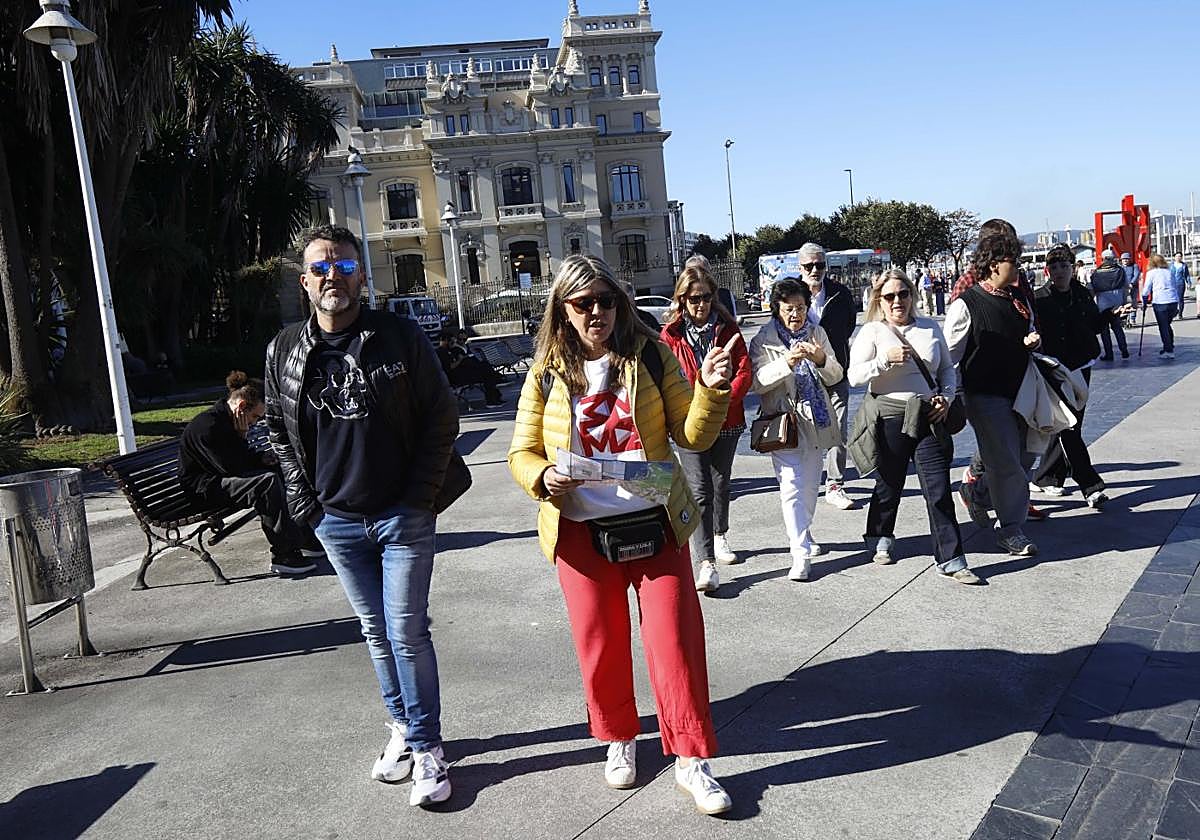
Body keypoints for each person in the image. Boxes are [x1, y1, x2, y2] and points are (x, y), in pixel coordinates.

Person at [506, 254, 736, 816]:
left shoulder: (652, 355)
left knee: (675, 641)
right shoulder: (544, 371)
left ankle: (691, 758)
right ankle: (619, 738)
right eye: (583, 304)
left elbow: (693, 435)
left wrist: (710, 390)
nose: (597, 313)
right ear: (562, 309)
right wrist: (542, 476)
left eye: (606, 301)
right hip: (581, 532)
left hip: (655, 520)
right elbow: (521, 450)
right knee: (600, 643)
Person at [264, 224, 459, 807]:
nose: (334, 278)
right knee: (377, 634)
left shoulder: (397, 336)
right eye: (322, 268)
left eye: (345, 267)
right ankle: (402, 726)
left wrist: (419, 496)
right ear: (305, 282)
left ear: (362, 277)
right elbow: (276, 429)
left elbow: (441, 415)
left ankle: (427, 747)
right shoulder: (284, 350)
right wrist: (309, 506)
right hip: (338, 520)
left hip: (402, 515)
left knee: (406, 631)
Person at [847, 269, 980, 584]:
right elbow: (854, 377)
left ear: (912, 295)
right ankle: (879, 536)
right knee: (889, 483)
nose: (897, 301)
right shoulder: (872, 332)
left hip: (927, 416)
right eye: (889, 296)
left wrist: (946, 398)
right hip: (889, 416)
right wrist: (885, 361)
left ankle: (951, 558)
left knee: (937, 489)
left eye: (903, 294)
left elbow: (947, 369)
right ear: (879, 300)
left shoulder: (929, 327)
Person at [945, 231, 1042, 557]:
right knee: (1008, 464)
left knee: (1026, 456)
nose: (1018, 267)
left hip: (1022, 392)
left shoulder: (1017, 299)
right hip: (984, 395)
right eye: (1013, 261)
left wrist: (1032, 341)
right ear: (994, 264)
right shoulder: (967, 304)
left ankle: (978, 493)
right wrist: (952, 394)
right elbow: (949, 356)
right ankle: (1011, 529)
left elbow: (1026, 333)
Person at [660, 260, 752, 592]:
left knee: (720, 483)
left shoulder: (728, 330)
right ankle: (706, 561)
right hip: (689, 424)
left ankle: (720, 533)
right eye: (694, 298)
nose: (701, 304)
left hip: (727, 419)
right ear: (682, 300)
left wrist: (723, 397)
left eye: (707, 297)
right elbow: (667, 378)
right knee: (699, 491)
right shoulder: (670, 335)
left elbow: (744, 370)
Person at [180, 370, 321, 576]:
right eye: (255, 416)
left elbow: (240, 462)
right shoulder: (208, 425)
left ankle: (304, 537)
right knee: (266, 483)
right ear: (242, 407)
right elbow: (230, 468)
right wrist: (242, 435)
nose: (256, 422)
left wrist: (262, 458)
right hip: (204, 489)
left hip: (221, 480)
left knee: (280, 470)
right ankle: (283, 554)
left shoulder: (227, 419)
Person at [749, 278, 844, 581]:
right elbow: (757, 382)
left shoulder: (817, 333)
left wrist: (821, 359)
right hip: (783, 422)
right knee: (790, 485)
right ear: (777, 309)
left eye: (801, 308)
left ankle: (804, 531)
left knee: (809, 487)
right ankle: (799, 552)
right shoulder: (764, 339)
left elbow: (836, 374)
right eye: (789, 309)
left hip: (816, 418)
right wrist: (786, 363)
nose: (796, 314)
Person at [1029, 243, 1113, 506]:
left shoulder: (1082, 295)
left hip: (1081, 365)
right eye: (1054, 267)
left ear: (1073, 268)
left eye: (1064, 266)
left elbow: (1092, 325)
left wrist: (1110, 316)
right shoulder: (1039, 298)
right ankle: (1090, 484)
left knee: (1069, 423)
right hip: (1054, 368)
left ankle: (1046, 477)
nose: (1059, 271)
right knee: (1069, 424)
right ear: (1047, 270)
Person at [795, 242, 858, 510]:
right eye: (809, 266)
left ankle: (834, 483)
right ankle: (805, 481)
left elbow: (849, 326)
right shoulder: (791, 293)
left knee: (838, 429)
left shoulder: (840, 294)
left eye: (819, 265)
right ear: (800, 268)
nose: (814, 270)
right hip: (803, 375)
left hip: (836, 372)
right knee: (806, 431)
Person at [436, 332, 504, 407]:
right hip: (456, 378)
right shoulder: (441, 352)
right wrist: (460, 360)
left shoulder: (448, 350)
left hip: (460, 374)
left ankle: (496, 396)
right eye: (450, 341)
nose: (452, 343)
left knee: (486, 368)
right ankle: (491, 400)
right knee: (487, 373)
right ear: (445, 340)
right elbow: (450, 366)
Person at [1089, 252, 1130, 360]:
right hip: (1117, 304)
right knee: (1117, 327)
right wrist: (1126, 301)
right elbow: (1126, 286)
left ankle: (1109, 353)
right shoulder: (1120, 271)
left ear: (1103, 259)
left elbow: (1092, 290)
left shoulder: (1096, 273)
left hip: (1103, 305)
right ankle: (1124, 350)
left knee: (1104, 330)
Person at [1141, 253, 1181, 359]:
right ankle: (1169, 344)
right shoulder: (1169, 272)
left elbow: (1146, 288)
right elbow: (1175, 286)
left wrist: (1144, 300)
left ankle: (1168, 350)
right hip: (1172, 301)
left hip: (1160, 301)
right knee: (1167, 324)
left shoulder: (1151, 273)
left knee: (1163, 326)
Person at [1120, 252, 1141, 328]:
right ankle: (1124, 319)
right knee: (1124, 304)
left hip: (1133, 287)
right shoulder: (1120, 267)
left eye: (1127, 259)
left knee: (1133, 302)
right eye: (1124, 259)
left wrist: (1132, 283)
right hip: (1123, 288)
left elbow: (1136, 275)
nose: (1125, 260)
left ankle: (1132, 318)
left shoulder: (1134, 266)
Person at [1170, 253, 1191, 320]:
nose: (1178, 257)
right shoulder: (1171, 265)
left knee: (1180, 299)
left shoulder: (1184, 265)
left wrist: (1189, 283)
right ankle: (1174, 311)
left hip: (1180, 284)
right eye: (1177, 256)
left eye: (1179, 256)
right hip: (1172, 284)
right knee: (1173, 299)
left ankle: (1180, 313)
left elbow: (1187, 275)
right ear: (1174, 257)